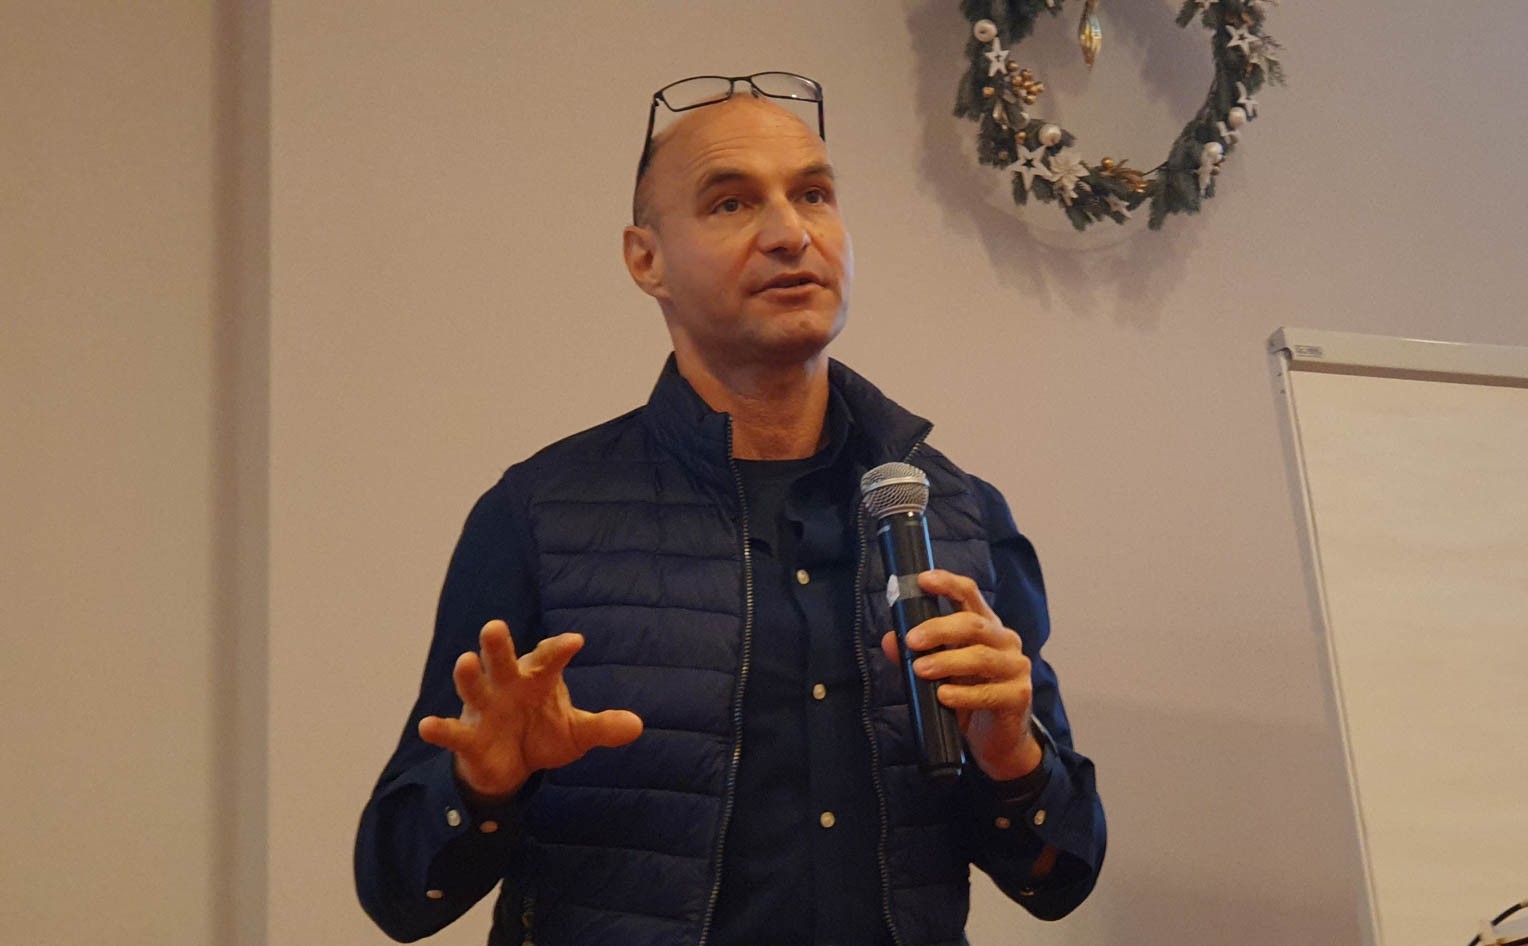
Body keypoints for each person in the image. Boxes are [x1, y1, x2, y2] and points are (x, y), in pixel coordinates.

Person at [353, 73, 1107, 946]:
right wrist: (482, 787)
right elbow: (399, 891)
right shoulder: (540, 515)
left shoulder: (957, 515)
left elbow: (1059, 878)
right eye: (731, 203)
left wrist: (1014, 761)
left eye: (814, 195)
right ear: (647, 260)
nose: (791, 233)